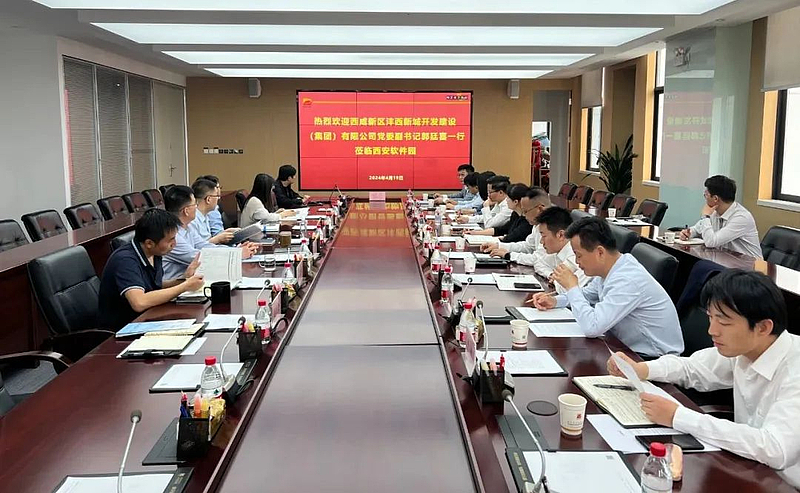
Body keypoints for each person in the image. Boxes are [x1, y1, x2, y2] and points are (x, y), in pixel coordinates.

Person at [608, 270, 800, 488]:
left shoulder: (794, 370)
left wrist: (678, 416)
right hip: (748, 467)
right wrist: (642, 369)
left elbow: (775, 449)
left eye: (724, 322)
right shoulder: (745, 348)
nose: (712, 330)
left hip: (785, 484)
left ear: (763, 327)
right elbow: (692, 368)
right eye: (711, 317)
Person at [531, 217, 684, 357]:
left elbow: (592, 327)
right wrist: (555, 301)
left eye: (579, 255)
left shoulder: (627, 280)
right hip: (622, 347)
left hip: (651, 359)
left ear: (600, 252)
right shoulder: (612, 268)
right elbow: (586, 295)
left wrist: (572, 287)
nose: (577, 262)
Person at [98, 208, 204, 330]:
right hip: (123, 328)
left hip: (148, 318)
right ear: (149, 243)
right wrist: (184, 287)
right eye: (171, 240)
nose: (174, 244)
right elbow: (139, 302)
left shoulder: (155, 252)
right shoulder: (125, 260)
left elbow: (154, 285)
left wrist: (185, 279)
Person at [163, 185, 257, 280]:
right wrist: (237, 255)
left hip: (192, 280)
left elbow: (206, 246)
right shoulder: (172, 236)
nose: (197, 207)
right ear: (186, 211)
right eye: (195, 204)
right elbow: (199, 258)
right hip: (176, 285)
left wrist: (236, 250)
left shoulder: (188, 227)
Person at [680, 175, 762, 259]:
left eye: (706, 195)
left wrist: (705, 216)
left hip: (748, 264)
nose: (705, 198)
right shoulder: (714, 212)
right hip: (726, 260)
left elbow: (711, 242)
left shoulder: (741, 218)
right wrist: (688, 233)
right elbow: (697, 229)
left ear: (715, 198)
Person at [527, 206, 588, 294]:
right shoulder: (557, 252)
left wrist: (556, 280)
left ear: (561, 235)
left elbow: (569, 290)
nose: (541, 241)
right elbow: (538, 263)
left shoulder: (576, 256)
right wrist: (551, 274)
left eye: (544, 236)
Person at [483, 186, 551, 258]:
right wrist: (499, 246)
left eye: (526, 211)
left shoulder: (551, 226)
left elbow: (539, 258)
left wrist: (508, 255)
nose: (524, 215)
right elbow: (527, 246)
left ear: (540, 209)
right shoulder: (537, 224)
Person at [189, 178, 239, 244]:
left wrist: (226, 232)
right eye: (216, 196)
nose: (218, 199)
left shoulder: (205, 216)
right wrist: (218, 239)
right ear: (208, 199)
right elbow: (198, 246)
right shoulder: (193, 220)